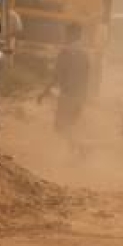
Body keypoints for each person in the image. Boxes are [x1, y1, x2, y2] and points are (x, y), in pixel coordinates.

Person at [38, 23, 91, 156]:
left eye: (66, 34)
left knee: (60, 126)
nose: (65, 37)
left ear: (70, 34)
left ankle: (81, 146)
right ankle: (73, 152)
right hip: (80, 95)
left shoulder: (66, 52)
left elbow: (56, 76)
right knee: (71, 124)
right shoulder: (85, 53)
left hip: (67, 94)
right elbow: (87, 75)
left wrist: (44, 92)